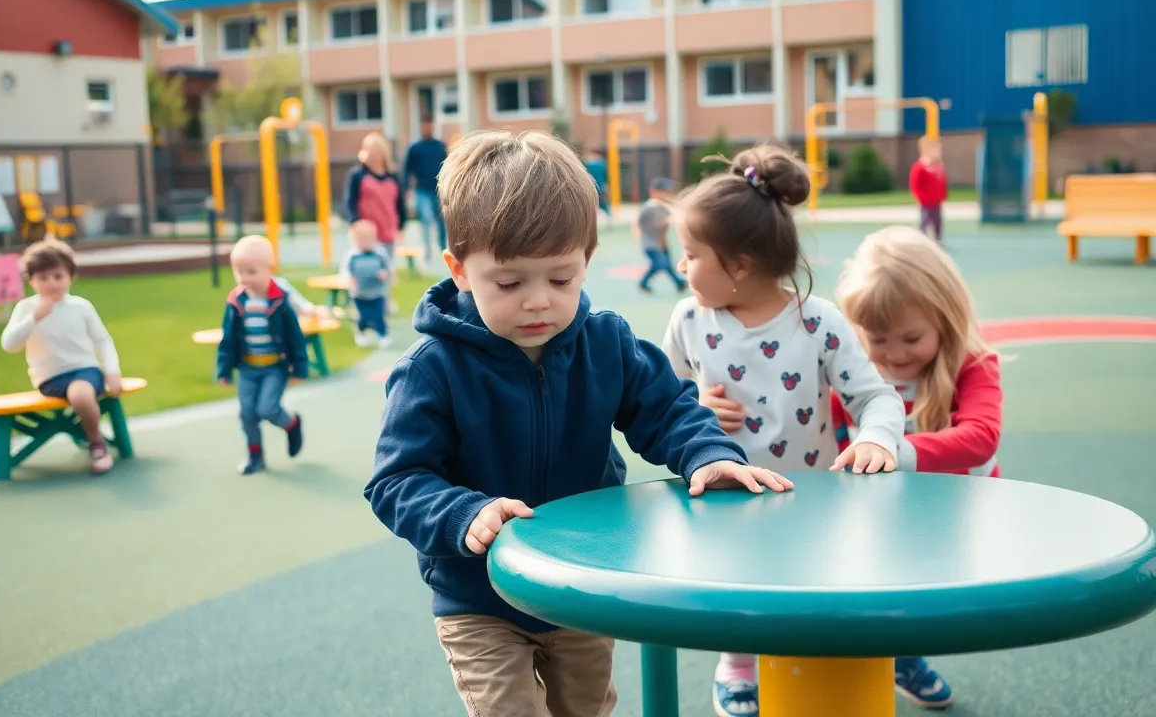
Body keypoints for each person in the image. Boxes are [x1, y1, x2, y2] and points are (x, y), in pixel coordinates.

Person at [364, 130, 794, 717]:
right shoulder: (432, 370)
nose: (539, 301)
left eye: (561, 279)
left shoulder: (604, 341)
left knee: (587, 710)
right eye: (510, 283)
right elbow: (395, 481)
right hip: (479, 598)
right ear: (460, 270)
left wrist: (709, 454)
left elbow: (666, 408)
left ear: (586, 262)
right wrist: (464, 512)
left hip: (581, 582)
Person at [660, 144, 906, 717]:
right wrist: (694, 402)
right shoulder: (690, 320)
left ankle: (826, 658)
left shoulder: (815, 320)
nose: (682, 267)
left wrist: (875, 438)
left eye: (692, 255)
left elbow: (875, 398)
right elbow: (659, 398)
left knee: (810, 579)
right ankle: (737, 666)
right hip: (721, 492)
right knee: (734, 583)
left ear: (740, 265)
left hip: (808, 493)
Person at [833, 224, 1004, 709]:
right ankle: (892, 654)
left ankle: (902, 652)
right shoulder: (859, 371)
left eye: (911, 337)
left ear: (946, 320)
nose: (894, 354)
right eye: (877, 338)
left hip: (957, 509)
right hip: (887, 508)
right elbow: (818, 410)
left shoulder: (972, 364)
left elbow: (981, 436)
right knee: (874, 577)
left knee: (927, 594)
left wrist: (891, 447)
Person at [0, 238, 123, 475]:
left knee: (80, 392)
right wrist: (34, 318)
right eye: (43, 278)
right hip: (50, 378)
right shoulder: (26, 309)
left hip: (85, 370)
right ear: (32, 280)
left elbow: (103, 340)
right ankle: (94, 438)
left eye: (57, 276)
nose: (51, 283)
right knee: (77, 392)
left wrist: (112, 371)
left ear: (70, 276)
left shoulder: (81, 306)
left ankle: (96, 443)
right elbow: (9, 344)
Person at [216, 235, 309, 475]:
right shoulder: (237, 301)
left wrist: (299, 367)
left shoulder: (279, 301)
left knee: (267, 408)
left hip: (274, 367)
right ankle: (255, 455)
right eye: (239, 272)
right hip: (248, 368)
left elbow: (295, 337)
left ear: (270, 270)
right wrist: (224, 369)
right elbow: (227, 338)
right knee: (247, 413)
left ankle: (292, 423)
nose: (244, 278)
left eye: (251, 271)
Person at [346, 132, 406, 266]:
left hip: (387, 230)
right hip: (366, 233)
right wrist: (355, 222)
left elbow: (399, 203)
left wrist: (401, 225)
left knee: (385, 269)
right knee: (366, 269)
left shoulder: (392, 176)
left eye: (378, 151)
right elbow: (350, 201)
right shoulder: (357, 175)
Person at [403, 119, 449, 262]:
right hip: (422, 190)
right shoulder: (415, 147)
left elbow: (448, 166)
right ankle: (427, 251)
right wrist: (407, 188)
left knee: (442, 220)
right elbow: (407, 169)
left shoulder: (440, 146)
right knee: (426, 219)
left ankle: (443, 248)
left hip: (439, 189)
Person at [344, 219, 392, 348]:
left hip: (377, 292)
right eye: (361, 241)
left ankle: (382, 335)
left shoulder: (379, 253)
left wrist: (384, 274)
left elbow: (387, 268)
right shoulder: (352, 256)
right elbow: (346, 271)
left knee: (379, 315)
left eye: (368, 240)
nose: (365, 244)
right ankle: (361, 333)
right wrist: (350, 280)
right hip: (359, 292)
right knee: (362, 316)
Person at [637, 176, 687, 293]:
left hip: (661, 242)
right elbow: (639, 222)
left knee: (668, 265)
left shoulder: (665, 208)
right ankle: (643, 282)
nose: (667, 195)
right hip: (650, 243)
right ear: (654, 192)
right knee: (661, 263)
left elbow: (664, 227)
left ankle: (679, 283)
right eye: (664, 192)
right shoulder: (649, 208)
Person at [909, 136, 948, 243]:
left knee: (938, 221)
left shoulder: (938, 166)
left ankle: (938, 238)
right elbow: (915, 184)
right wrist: (920, 197)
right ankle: (922, 239)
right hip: (926, 202)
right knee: (924, 220)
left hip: (936, 201)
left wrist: (943, 195)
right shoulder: (920, 166)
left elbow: (941, 182)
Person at [584, 146, 613, 222]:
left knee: (594, 205)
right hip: (600, 188)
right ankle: (609, 219)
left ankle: (594, 221)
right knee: (603, 205)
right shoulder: (603, 164)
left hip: (593, 187)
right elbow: (606, 178)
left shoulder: (589, 165)